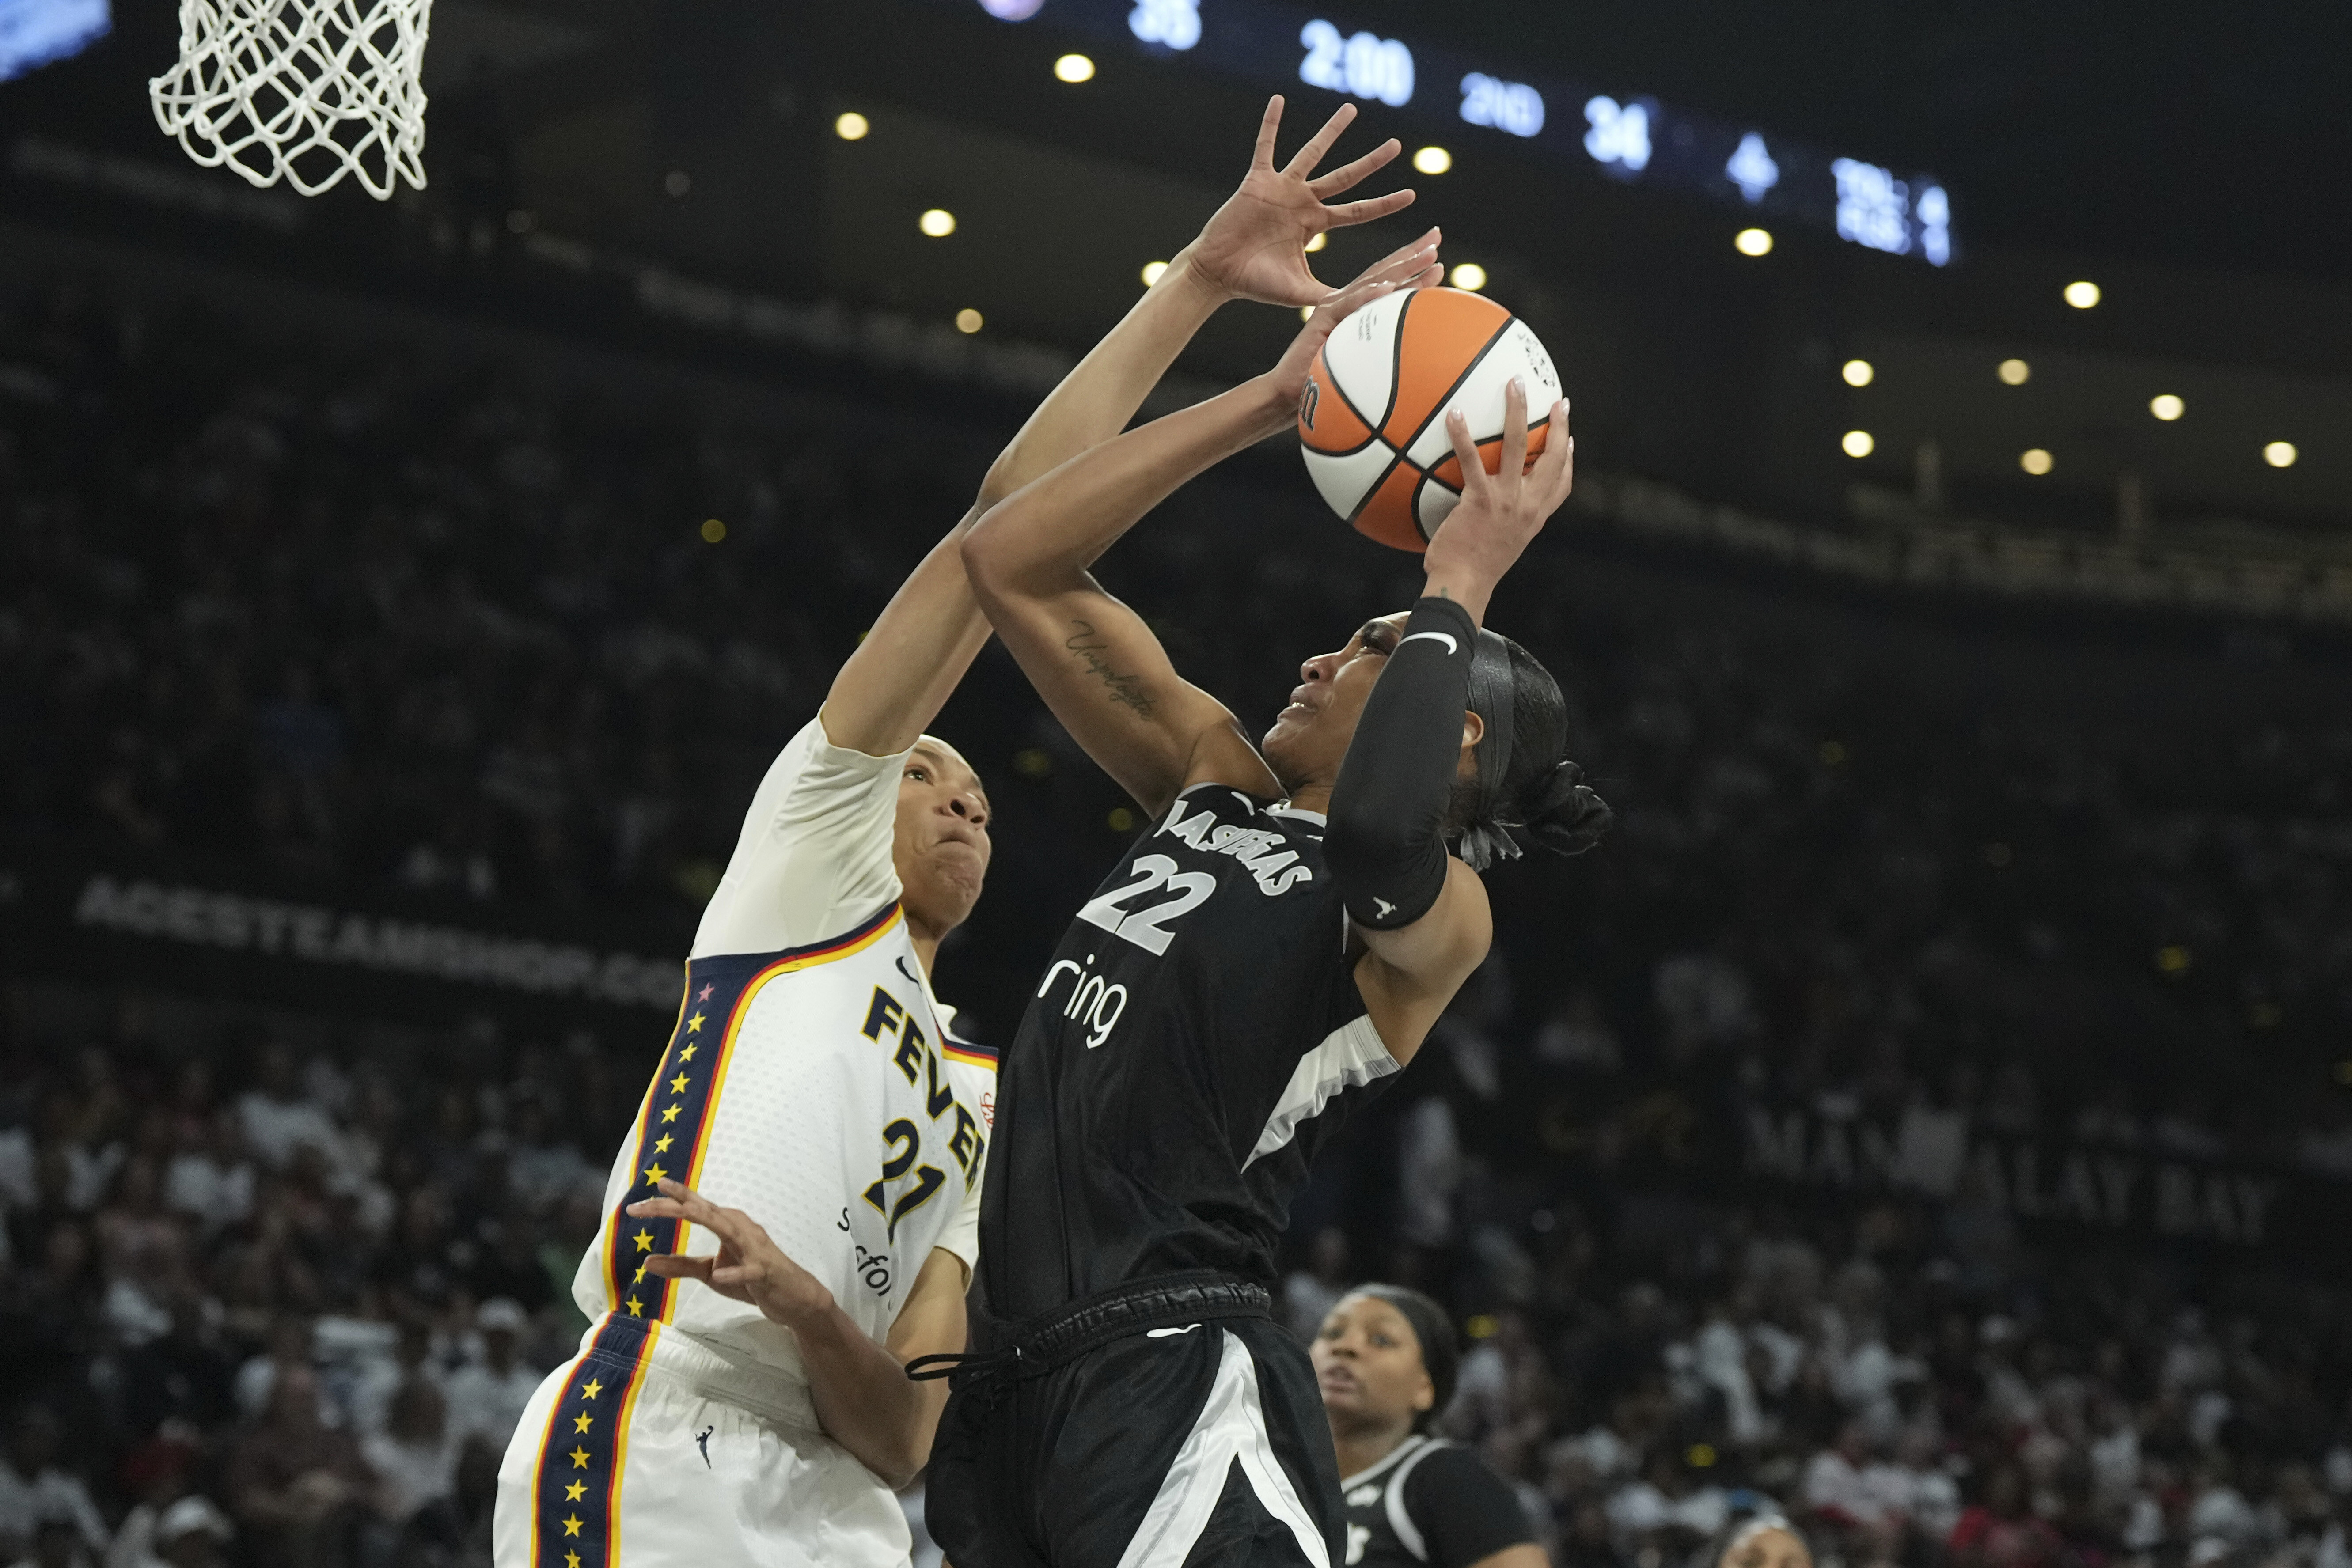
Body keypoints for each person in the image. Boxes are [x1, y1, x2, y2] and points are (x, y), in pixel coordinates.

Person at [489, 91, 1404, 1568]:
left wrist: (802, 1306)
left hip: (853, 1511)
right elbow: (997, 536)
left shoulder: (1001, 1090)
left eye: (980, 790)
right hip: (672, 1433)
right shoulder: (804, 883)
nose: (964, 792)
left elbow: (903, 1435)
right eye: (930, 773)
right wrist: (1199, 293)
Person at [927, 96, 1609, 1568]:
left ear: (1457, 734)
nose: (1317, 655)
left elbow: (1377, 841)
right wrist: (1270, 392)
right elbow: (1009, 552)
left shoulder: (1437, 922)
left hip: (1174, 1369)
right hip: (1009, 1380)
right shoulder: (1210, 778)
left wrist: (1461, 581)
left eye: (1366, 644)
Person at [1313, 1287, 1544, 1568]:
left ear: (1423, 1387)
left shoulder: (1444, 1478)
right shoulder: (1274, 1478)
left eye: (1380, 1339)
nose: (1344, 1347)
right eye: (1333, 1333)